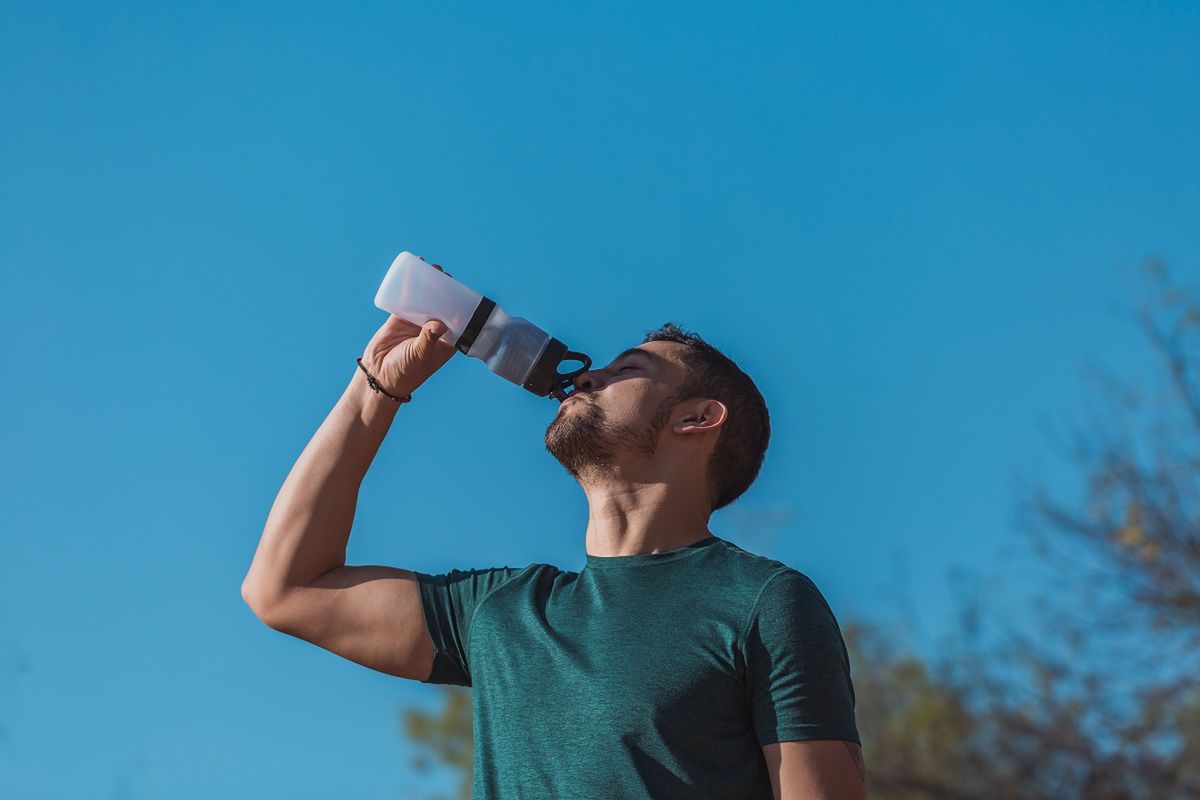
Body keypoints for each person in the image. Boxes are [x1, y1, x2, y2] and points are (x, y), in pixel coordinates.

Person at [242, 259, 867, 799]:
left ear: (699, 419)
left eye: (629, 368)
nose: (588, 375)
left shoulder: (763, 603)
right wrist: (374, 386)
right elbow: (286, 588)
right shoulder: (500, 613)